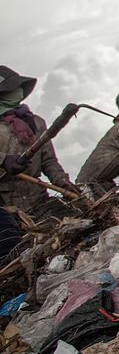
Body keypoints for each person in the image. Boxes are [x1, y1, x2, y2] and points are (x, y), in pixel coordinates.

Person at [0, 66, 78, 260]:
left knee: (74, 229)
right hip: (6, 207)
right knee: (13, 251)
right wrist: (3, 160)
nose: (15, 92)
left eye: (17, 87)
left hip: (39, 200)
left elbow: (49, 160)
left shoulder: (36, 122)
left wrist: (62, 183)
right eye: (10, 89)